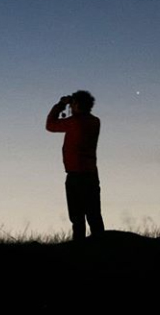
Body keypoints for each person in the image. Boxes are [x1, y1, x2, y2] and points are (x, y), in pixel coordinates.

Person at [46, 89, 105, 240]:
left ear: (77, 105)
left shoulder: (74, 122)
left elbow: (50, 125)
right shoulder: (95, 121)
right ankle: (101, 246)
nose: (71, 108)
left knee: (77, 218)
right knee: (94, 215)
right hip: (91, 174)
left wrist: (60, 104)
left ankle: (79, 249)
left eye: (73, 105)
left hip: (75, 175)